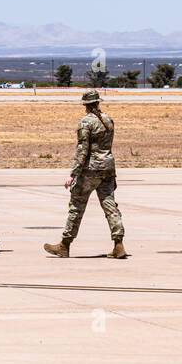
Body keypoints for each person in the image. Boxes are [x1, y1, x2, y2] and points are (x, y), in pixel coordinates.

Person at [45, 90, 126, 259]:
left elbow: (82, 150)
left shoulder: (86, 122)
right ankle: (118, 244)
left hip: (91, 169)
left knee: (76, 207)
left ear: (86, 105)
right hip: (108, 168)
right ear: (98, 102)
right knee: (110, 207)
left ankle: (65, 245)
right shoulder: (108, 120)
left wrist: (73, 174)